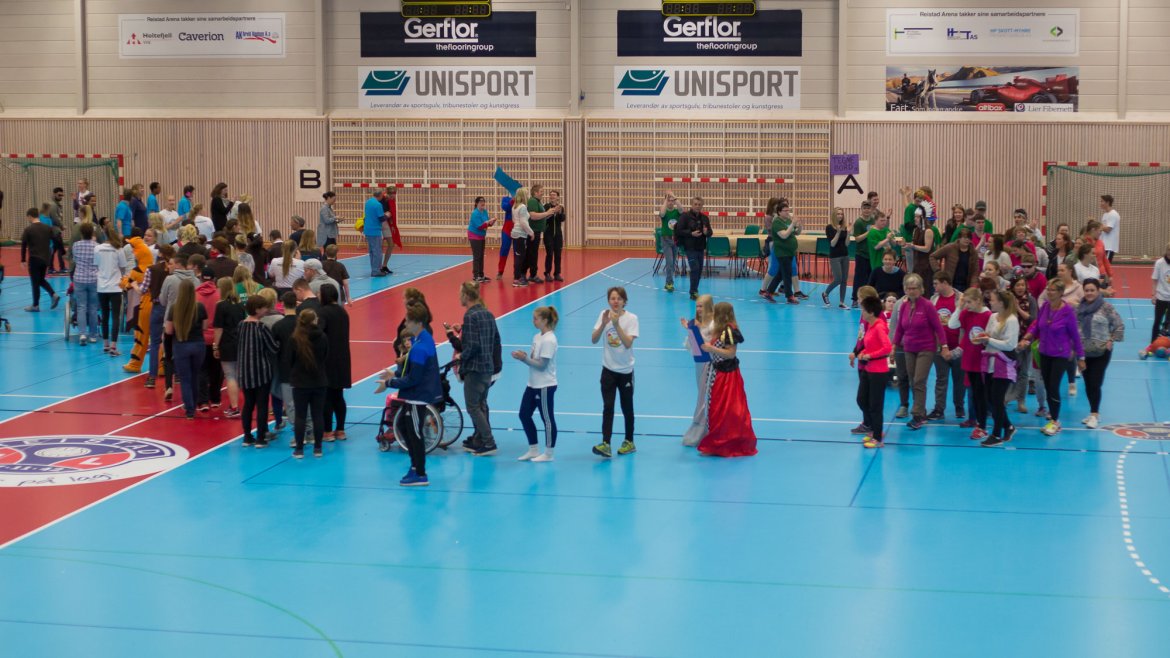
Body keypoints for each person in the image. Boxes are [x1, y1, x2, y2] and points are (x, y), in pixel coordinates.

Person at [1018, 280, 1084, 436]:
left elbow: (1075, 336)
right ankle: (1052, 417)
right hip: (1044, 352)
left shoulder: (1067, 312)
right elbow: (1036, 326)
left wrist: (1081, 357)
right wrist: (1026, 337)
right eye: (1048, 289)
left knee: (1053, 387)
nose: (1049, 292)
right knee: (1048, 386)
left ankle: (1055, 421)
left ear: (1061, 293)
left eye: (1053, 290)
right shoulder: (1045, 307)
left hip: (1060, 355)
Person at [389, 304, 443, 486]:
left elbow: (414, 378)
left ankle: (420, 473)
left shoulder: (419, 348)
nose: (406, 324)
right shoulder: (424, 339)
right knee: (403, 426)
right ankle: (415, 467)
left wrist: (390, 383)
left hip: (417, 396)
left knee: (415, 433)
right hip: (418, 394)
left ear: (418, 323)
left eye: (408, 321)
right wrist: (395, 374)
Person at [697, 302, 759, 457]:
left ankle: (724, 443)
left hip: (726, 377)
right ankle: (717, 441)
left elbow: (730, 353)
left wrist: (711, 348)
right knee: (715, 408)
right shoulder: (720, 329)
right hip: (716, 372)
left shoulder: (729, 331)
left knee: (725, 409)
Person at [893, 273, 949, 429]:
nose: (911, 291)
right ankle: (921, 412)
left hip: (926, 348)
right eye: (909, 288)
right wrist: (894, 346)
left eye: (914, 288)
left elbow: (938, 328)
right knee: (913, 381)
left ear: (921, 289)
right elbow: (899, 329)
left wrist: (944, 346)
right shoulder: (904, 306)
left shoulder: (928, 306)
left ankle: (917, 415)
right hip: (909, 348)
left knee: (919, 380)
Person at [591, 287, 639, 458]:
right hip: (608, 371)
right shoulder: (603, 315)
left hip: (625, 371)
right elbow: (594, 339)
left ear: (624, 301)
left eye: (619, 298)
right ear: (608, 301)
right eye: (612, 298)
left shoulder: (632, 318)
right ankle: (606, 443)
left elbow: (627, 343)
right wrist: (603, 324)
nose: (615, 301)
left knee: (627, 407)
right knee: (608, 407)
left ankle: (629, 441)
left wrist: (616, 324)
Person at [458, 281, 503, 456]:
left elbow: (472, 345)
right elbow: (496, 340)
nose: (459, 297)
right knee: (482, 404)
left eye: (460, 294)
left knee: (473, 407)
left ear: (466, 296)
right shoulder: (488, 314)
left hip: (475, 369)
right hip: (488, 368)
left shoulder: (470, 316)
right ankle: (480, 439)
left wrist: (461, 356)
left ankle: (488, 442)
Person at [970, 291, 1020, 447]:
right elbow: (988, 337)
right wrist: (982, 339)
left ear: (1001, 303)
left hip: (1004, 364)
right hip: (990, 362)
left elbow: (1010, 345)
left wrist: (989, 339)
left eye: (992, 300)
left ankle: (996, 434)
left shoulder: (1012, 320)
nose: (990, 302)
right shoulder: (992, 317)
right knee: (990, 399)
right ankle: (1008, 426)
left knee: (997, 399)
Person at [513, 306, 559, 462]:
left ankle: (549, 453)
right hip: (532, 384)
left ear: (545, 320)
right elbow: (534, 359)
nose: (533, 321)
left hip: (545, 386)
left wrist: (524, 359)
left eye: (536, 319)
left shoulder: (549, 340)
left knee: (547, 419)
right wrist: (525, 356)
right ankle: (533, 449)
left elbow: (542, 365)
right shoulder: (537, 337)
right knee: (524, 414)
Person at [1077, 278, 1124, 429]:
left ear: (1098, 291)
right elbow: (1074, 329)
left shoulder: (1106, 307)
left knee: (1095, 383)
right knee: (1087, 383)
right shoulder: (1079, 309)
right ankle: (1092, 412)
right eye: (1087, 290)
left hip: (1101, 352)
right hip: (1084, 353)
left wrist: (1111, 339)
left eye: (1092, 290)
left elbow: (1119, 325)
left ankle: (1095, 414)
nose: (1089, 293)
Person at [949, 288, 992, 439]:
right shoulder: (967, 313)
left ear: (978, 301)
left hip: (983, 359)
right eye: (965, 302)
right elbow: (952, 324)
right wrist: (959, 307)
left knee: (981, 392)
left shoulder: (988, 315)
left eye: (969, 302)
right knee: (971, 390)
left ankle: (982, 422)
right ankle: (974, 419)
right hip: (969, 357)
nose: (966, 305)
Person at [236, 295, 279, 448]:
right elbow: (273, 348)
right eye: (264, 307)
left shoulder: (241, 325)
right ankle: (261, 437)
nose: (266, 310)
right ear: (257, 309)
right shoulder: (261, 327)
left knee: (248, 404)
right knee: (262, 405)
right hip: (261, 371)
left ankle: (247, 436)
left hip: (244, 371)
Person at [288, 309, 329, 459]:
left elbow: (290, 360)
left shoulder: (295, 338)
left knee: (300, 416)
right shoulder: (322, 337)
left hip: (300, 383)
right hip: (319, 381)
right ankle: (318, 448)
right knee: (318, 415)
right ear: (314, 320)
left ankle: (299, 449)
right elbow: (325, 356)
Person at [165, 279, 209, 420]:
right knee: (195, 376)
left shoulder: (174, 308)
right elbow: (205, 327)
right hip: (198, 345)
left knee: (185, 379)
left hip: (181, 346)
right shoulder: (200, 307)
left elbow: (169, 330)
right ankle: (194, 404)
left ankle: (189, 410)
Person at [855, 296, 893, 449]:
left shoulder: (879, 327)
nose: (862, 312)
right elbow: (869, 345)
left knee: (875, 405)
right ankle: (873, 428)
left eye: (864, 310)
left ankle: (877, 437)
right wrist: (862, 352)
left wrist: (870, 355)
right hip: (868, 369)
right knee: (862, 399)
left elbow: (887, 348)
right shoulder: (870, 326)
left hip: (878, 371)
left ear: (871, 312)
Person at [929, 271, 965, 420]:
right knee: (941, 379)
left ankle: (959, 407)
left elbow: (965, 323)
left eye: (936, 283)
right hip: (939, 347)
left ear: (945, 282)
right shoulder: (933, 299)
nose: (934, 286)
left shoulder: (961, 299)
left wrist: (961, 347)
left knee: (959, 380)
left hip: (957, 346)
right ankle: (939, 409)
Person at [318, 284, 352, 442]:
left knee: (327, 397)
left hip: (327, 359)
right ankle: (341, 429)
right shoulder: (342, 312)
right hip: (343, 358)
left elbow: (318, 334)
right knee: (338, 395)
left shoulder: (323, 313)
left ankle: (327, 431)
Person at [681, 295, 715, 446]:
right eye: (697, 306)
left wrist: (696, 330)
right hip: (699, 364)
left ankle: (703, 429)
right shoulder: (696, 323)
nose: (699, 309)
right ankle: (702, 428)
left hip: (710, 364)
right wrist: (691, 330)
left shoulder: (713, 324)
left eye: (702, 306)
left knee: (705, 396)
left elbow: (711, 345)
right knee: (702, 394)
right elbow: (691, 346)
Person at [213, 277, 246, 418]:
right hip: (239, 342)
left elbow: (218, 328)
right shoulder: (240, 305)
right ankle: (239, 405)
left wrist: (215, 346)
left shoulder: (221, 306)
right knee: (237, 375)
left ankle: (234, 407)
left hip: (226, 343)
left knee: (230, 375)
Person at [1006, 276, 1038, 413]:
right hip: (1009, 341)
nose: (1020, 288)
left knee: (1023, 372)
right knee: (1009, 371)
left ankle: (1021, 401)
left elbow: (1033, 320)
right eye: (1017, 285)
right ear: (1013, 287)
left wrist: (1018, 308)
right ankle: (1006, 397)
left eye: (1022, 285)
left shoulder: (1031, 300)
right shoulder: (1007, 299)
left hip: (1025, 341)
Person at [95, 231, 129, 355]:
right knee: (115, 316)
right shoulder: (118, 249)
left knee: (104, 315)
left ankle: (106, 344)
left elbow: (96, 265)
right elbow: (123, 267)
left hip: (102, 286)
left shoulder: (97, 248)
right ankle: (113, 346)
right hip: (115, 286)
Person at [21, 208, 61, 312]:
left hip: (34, 259)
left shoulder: (28, 229)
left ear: (30, 216)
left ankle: (35, 305)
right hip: (45, 259)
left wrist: (23, 259)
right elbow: (56, 239)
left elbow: (24, 245)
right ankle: (53, 294)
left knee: (35, 282)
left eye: (28, 217)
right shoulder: (47, 228)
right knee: (41, 280)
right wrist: (60, 251)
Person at [194, 267, 223, 412]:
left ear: (200, 279)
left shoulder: (195, 295)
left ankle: (203, 401)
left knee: (201, 370)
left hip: (200, 337)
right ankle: (216, 399)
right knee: (217, 370)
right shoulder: (220, 295)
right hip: (217, 337)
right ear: (214, 279)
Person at [674, 196, 713, 301]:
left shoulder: (704, 218)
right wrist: (691, 233)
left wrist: (706, 232)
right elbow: (678, 231)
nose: (697, 206)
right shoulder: (685, 216)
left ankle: (695, 290)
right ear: (692, 205)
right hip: (689, 248)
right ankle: (693, 292)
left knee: (699, 270)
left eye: (699, 205)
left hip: (701, 248)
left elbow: (710, 233)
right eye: (695, 204)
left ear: (702, 206)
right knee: (695, 269)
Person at [763, 200, 799, 303]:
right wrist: (792, 224)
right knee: (787, 274)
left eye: (788, 210)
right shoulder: (777, 222)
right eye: (785, 210)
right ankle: (789, 296)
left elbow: (796, 232)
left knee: (780, 274)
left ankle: (769, 292)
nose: (788, 212)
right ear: (779, 212)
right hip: (782, 252)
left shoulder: (787, 221)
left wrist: (799, 225)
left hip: (789, 252)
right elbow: (784, 235)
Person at [522, 184, 559, 283]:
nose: (543, 193)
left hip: (537, 231)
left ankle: (531, 274)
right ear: (535, 192)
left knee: (533, 253)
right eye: (541, 191)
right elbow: (533, 216)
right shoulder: (533, 201)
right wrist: (547, 213)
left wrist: (551, 212)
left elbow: (541, 216)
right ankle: (526, 274)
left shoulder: (538, 202)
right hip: (533, 232)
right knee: (531, 253)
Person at [71, 222, 101, 344]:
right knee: (93, 308)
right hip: (94, 279)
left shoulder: (76, 245)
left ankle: (82, 334)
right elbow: (99, 262)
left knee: (81, 307)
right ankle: (93, 335)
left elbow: (75, 260)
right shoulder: (97, 246)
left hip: (79, 278)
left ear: (81, 233)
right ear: (92, 233)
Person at [930, 228, 980, 293]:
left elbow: (975, 270)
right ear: (959, 238)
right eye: (964, 237)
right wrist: (938, 271)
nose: (967, 240)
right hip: (950, 284)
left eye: (969, 238)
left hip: (966, 286)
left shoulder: (973, 252)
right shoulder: (950, 247)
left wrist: (973, 286)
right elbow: (932, 256)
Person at [823, 208, 850, 309]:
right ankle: (825, 293)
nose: (840, 216)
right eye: (838, 214)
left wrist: (849, 233)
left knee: (844, 280)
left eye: (841, 214)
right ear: (834, 215)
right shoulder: (829, 227)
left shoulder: (844, 227)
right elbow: (832, 244)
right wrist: (838, 232)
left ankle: (841, 302)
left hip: (845, 255)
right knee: (838, 279)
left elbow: (847, 244)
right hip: (835, 256)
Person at [849, 202, 876, 307]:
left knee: (870, 277)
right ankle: (855, 299)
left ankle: (868, 298)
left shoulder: (873, 220)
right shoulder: (859, 222)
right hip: (861, 254)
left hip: (871, 254)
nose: (867, 210)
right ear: (861, 209)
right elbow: (857, 239)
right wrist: (869, 232)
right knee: (859, 278)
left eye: (868, 208)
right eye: (865, 208)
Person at [510, 188, 535, 287]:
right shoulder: (523, 207)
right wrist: (531, 233)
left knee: (518, 256)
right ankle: (517, 279)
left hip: (515, 233)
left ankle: (517, 278)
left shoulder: (514, 206)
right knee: (520, 257)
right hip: (520, 234)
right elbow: (523, 222)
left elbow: (514, 220)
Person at [466, 196, 494, 283]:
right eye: (480, 202)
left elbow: (487, 224)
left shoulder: (484, 212)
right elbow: (480, 226)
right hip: (474, 235)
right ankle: (476, 276)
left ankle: (481, 275)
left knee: (481, 255)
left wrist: (491, 222)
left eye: (483, 202)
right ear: (476, 203)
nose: (482, 203)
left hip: (481, 236)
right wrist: (487, 223)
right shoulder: (475, 213)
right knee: (477, 256)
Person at [659, 192, 682, 292]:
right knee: (669, 262)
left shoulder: (677, 212)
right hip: (666, 239)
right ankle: (669, 283)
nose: (671, 202)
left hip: (675, 239)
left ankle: (669, 282)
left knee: (672, 263)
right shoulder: (664, 211)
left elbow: (681, 209)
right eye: (669, 201)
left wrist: (674, 197)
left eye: (672, 201)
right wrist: (666, 199)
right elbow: (662, 213)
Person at [363, 189, 387, 277]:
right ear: (380, 195)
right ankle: (376, 271)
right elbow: (381, 218)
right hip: (375, 230)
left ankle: (374, 269)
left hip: (367, 229)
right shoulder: (378, 205)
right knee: (377, 252)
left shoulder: (368, 202)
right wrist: (387, 215)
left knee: (372, 252)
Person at [543, 189, 566, 282]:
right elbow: (544, 218)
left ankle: (557, 274)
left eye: (554, 195)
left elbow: (562, 219)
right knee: (549, 254)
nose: (552, 196)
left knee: (558, 255)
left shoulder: (561, 207)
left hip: (558, 234)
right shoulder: (546, 206)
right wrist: (552, 212)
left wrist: (559, 212)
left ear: (558, 197)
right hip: (548, 233)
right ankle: (547, 273)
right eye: (551, 195)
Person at [378, 186, 402, 275]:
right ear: (388, 193)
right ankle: (378, 266)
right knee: (379, 246)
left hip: (386, 223)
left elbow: (391, 213)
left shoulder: (391, 200)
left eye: (394, 194)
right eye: (391, 194)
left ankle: (384, 265)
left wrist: (392, 224)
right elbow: (379, 212)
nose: (393, 196)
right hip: (380, 223)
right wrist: (385, 215)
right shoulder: (382, 200)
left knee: (391, 244)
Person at [1152, 242, 1170, 343]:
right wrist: (1153, 295)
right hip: (1161, 297)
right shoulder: (1159, 263)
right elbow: (1155, 279)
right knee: (1157, 321)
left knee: (1168, 323)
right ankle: (1153, 343)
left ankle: (1165, 332)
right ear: (1166, 252)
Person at [496, 195, 514, 280]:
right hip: (507, 227)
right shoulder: (506, 198)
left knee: (518, 252)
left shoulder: (522, 198)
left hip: (518, 226)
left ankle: (517, 273)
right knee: (504, 250)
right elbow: (505, 207)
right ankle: (500, 271)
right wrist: (513, 200)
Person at [1098, 194, 1119, 262]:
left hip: (1109, 246)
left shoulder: (1113, 214)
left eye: (1102, 201)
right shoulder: (1105, 214)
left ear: (1107, 202)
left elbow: (1108, 229)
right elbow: (1102, 228)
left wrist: (1096, 225)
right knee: (1101, 266)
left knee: (1106, 266)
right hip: (1103, 245)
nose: (1100, 203)